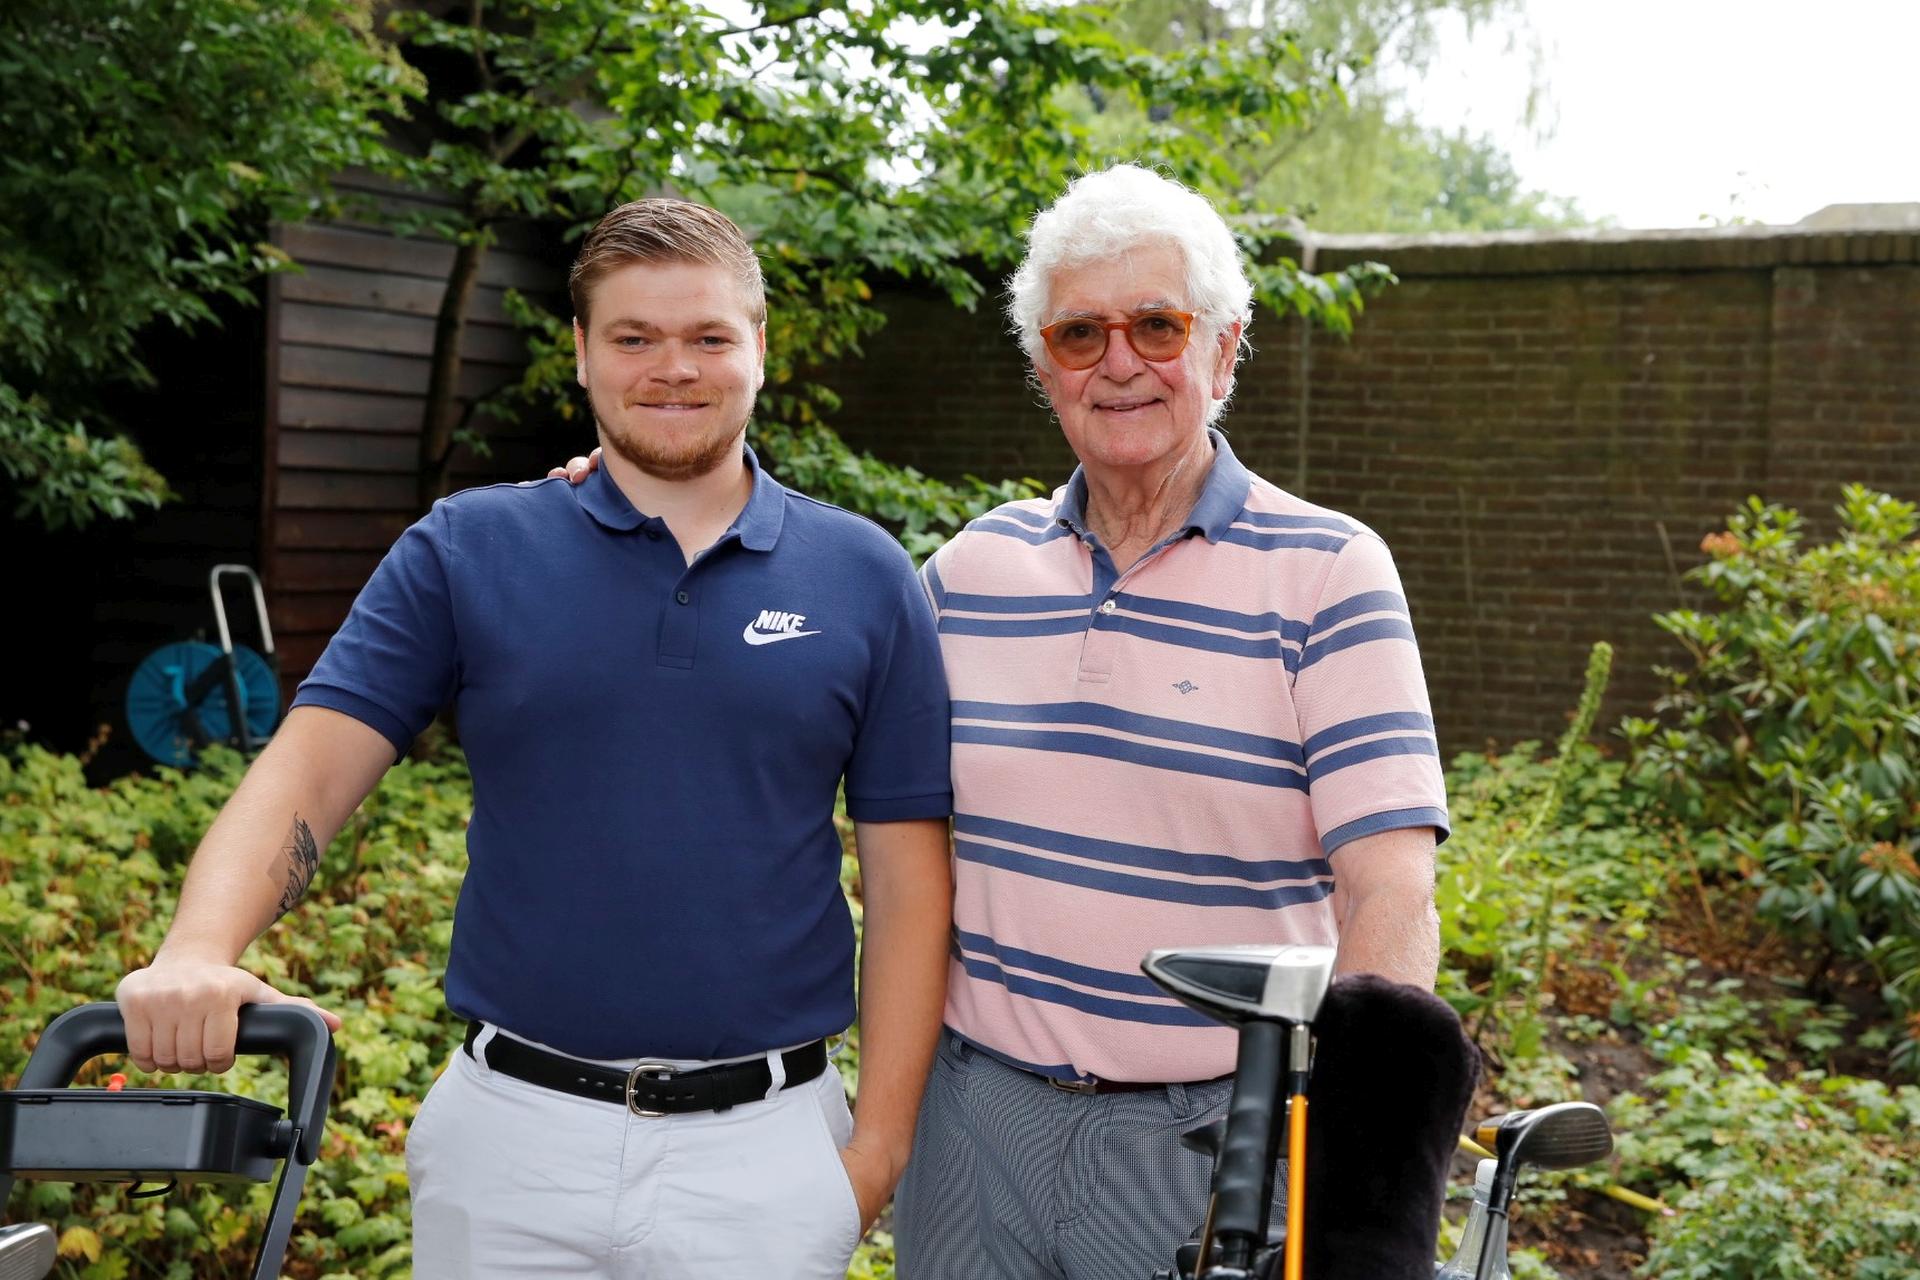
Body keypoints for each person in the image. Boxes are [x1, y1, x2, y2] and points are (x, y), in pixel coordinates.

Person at [554, 165, 1446, 1278]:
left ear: (1223, 351)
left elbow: (1390, 889)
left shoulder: (1329, 572)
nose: (1118, 362)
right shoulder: (971, 572)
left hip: (1211, 1133)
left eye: (1157, 326)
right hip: (972, 1125)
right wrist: (634, 505)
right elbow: (778, 680)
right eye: (1079, 334)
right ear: (1043, 367)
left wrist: (1357, 1167)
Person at [116, 198, 954, 1280]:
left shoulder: (865, 575)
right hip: (508, 1146)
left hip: (765, 1152)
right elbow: (313, 767)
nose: (673, 368)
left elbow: (907, 876)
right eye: (634, 337)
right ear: (581, 352)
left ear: (760, 346)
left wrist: (877, 1151)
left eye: (708, 336)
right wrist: (196, 948)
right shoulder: (468, 548)